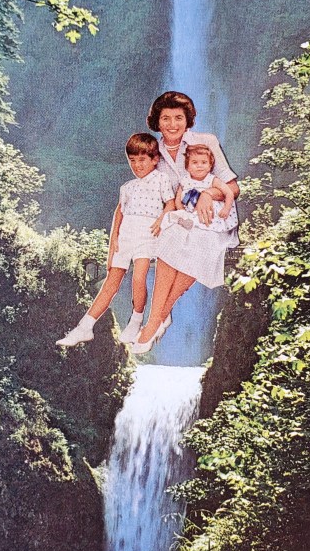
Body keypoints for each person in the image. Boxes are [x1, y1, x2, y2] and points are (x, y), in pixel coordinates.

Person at [132, 92, 240, 354]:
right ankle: (158, 317)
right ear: (156, 122)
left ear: (188, 120)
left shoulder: (206, 142)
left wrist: (206, 194)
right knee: (172, 238)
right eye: (165, 118)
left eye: (178, 118)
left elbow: (232, 188)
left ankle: (157, 318)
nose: (172, 124)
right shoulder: (151, 152)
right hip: (178, 218)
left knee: (198, 243)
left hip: (214, 220)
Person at [56, 134, 175, 347]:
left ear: (155, 159)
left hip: (147, 235)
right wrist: (112, 245)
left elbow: (171, 203)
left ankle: (136, 320)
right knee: (110, 283)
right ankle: (84, 327)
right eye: (133, 161)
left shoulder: (161, 179)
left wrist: (161, 219)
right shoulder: (127, 187)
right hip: (125, 236)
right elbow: (119, 214)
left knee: (139, 278)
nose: (137, 165)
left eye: (142, 160)